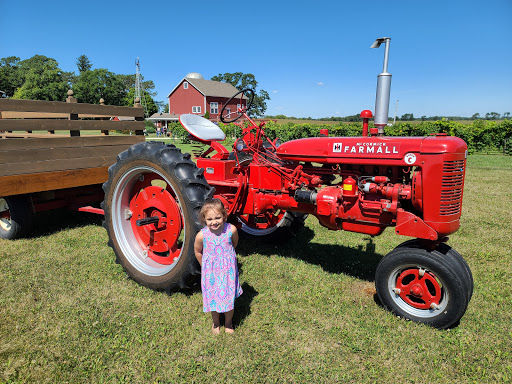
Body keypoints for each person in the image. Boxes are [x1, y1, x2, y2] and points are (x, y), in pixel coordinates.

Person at [194, 198, 243, 334]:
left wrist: (226, 259)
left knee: (228, 298)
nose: (214, 222)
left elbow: (234, 244)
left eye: (218, 217)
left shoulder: (231, 230)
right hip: (211, 273)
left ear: (224, 216)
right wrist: (204, 266)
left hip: (228, 272)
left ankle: (228, 323)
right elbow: (198, 251)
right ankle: (216, 323)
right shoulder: (202, 235)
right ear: (204, 219)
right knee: (213, 298)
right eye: (209, 219)